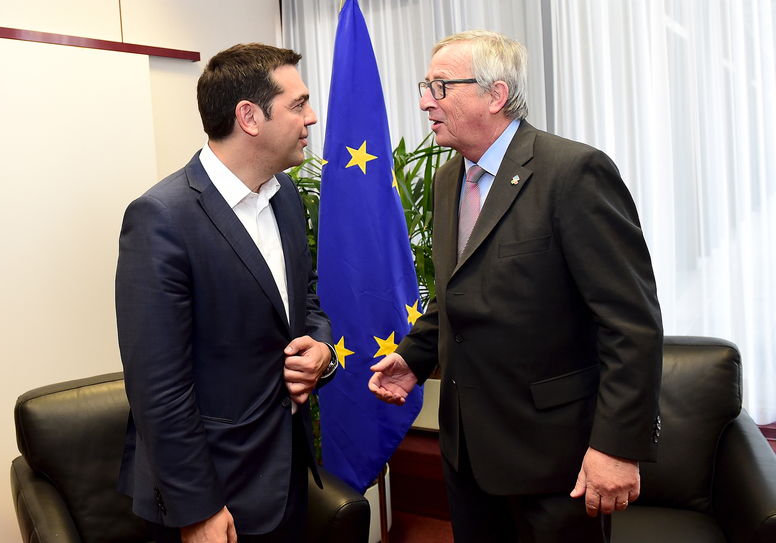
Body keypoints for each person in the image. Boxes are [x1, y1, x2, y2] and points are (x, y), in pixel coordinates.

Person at [369, 30, 662, 542]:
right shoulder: (448, 180)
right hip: (467, 453)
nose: (423, 102)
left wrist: (617, 447)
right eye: (425, 86)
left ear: (495, 94)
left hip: (553, 459)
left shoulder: (573, 172)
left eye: (439, 87)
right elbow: (454, 291)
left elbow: (629, 321)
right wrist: (415, 358)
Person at [115, 43, 339, 543]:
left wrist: (320, 349)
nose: (313, 117)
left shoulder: (286, 199)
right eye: (298, 104)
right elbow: (158, 388)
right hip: (216, 495)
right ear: (249, 117)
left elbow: (305, 301)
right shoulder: (162, 219)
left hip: (285, 475)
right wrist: (198, 509)